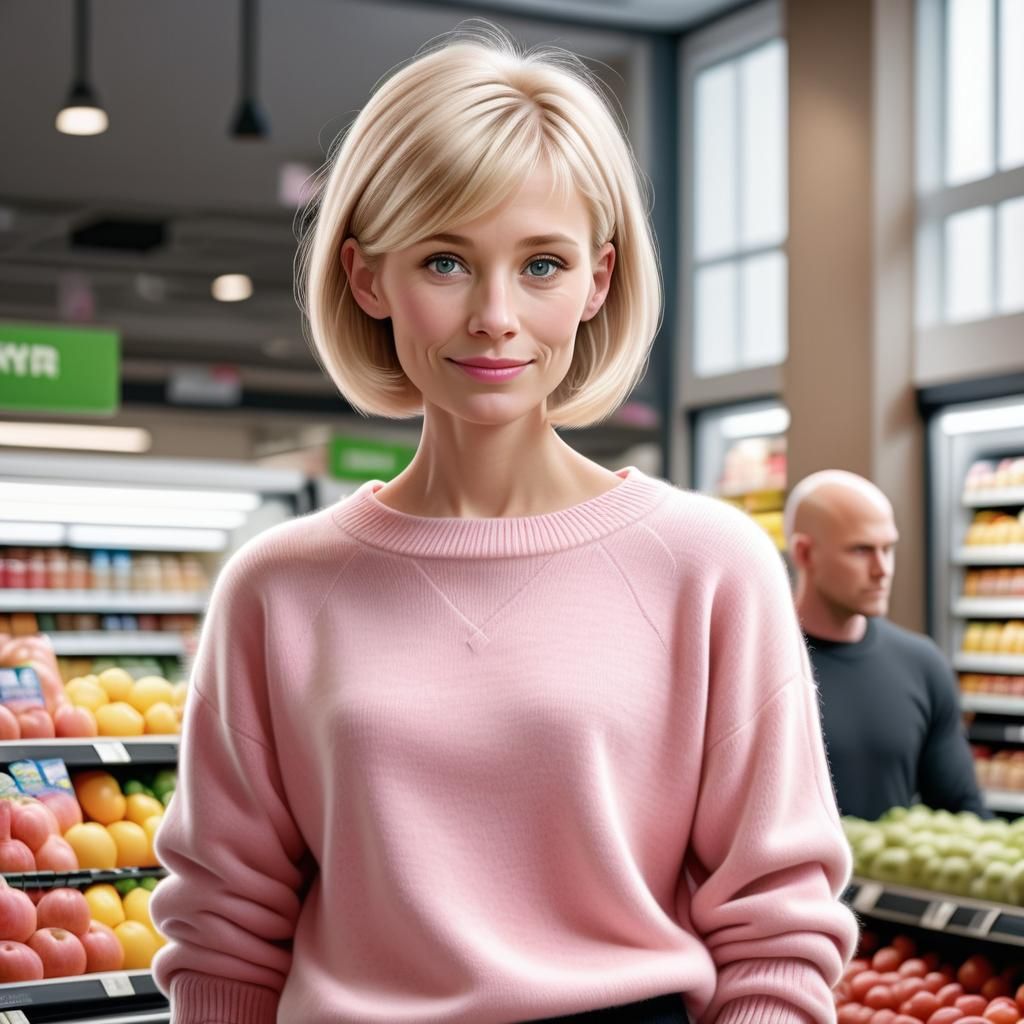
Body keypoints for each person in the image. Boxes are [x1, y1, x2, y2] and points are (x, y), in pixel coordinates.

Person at [150, 26, 856, 1024]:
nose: (494, 314)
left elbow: (778, 929)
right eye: (445, 260)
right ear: (366, 278)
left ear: (598, 280)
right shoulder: (277, 587)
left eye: (541, 264)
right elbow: (226, 929)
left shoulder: (709, 565)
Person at [784, 469, 989, 822]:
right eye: (861, 550)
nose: (883, 569)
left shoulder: (922, 664)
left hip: (889, 878)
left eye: (888, 548)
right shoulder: (756, 663)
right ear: (804, 553)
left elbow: (962, 811)